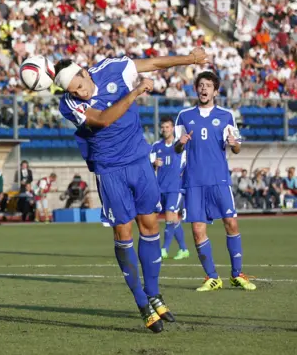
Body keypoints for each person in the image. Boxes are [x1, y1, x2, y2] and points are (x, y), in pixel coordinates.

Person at [54, 47, 209, 332]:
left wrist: (190, 59)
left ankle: (154, 294)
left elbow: (151, 62)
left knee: (150, 226)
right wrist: (135, 92)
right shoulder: (68, 104)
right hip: (109, 169)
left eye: (80, 85)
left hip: (139, 161)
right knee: (123, 233)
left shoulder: (113, 68)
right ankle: (141, 302)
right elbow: (102, 119)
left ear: (85, 72)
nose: (79, 93)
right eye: (74, 91)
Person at [174, 70, 256, 292]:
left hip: (219, 179)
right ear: (196, 89)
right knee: (198, 230)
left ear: (215, 91)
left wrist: (234, 143)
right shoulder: (184, 116)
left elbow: (237, 147)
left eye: (208, 85)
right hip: (194, 181)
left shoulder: (226, 115)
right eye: (201, 85)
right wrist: (180, 143)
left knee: (231, 223)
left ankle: (237, 274)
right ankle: (212, 277)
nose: (204, 89)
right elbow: (176, 147)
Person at [151, 117, 189, 260]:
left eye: (167, 127)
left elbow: (186, 164)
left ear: (172, 128)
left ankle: (164, 249)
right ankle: (184, 249)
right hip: (160, 188)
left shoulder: (179, 145)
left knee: (169, 216)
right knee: (173, 220)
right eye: (163, 127)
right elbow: (149, 164)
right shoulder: (156, 146)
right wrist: (154, 163)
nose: (165, 129)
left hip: (175, 188)